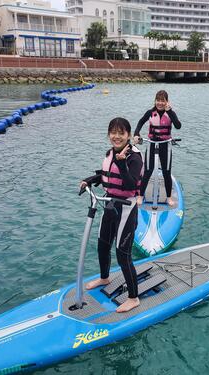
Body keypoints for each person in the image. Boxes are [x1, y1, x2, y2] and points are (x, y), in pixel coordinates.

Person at [79, 117, 143, 313]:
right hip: (109, 203)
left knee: (123, 254)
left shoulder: (134, 157)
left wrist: (122, 163)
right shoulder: (110, 153)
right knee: (102, 245)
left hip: (126, 207)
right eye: (113, 133)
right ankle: (105, 277)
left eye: (121, 133)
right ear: (109, 135)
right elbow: (106, 175)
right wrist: (89, 180)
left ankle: (133, 298)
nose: (116, 136)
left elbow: (131, 184)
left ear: (128, 135)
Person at [133, 90, 181, 206]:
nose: (160, 103)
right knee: (148, 171)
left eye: (162, 100)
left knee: (166, 172)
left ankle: (169, 197)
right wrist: (136, 134)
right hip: (152, 144)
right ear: (155, 101)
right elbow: (140, 122)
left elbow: (178, 126)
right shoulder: (150, 112)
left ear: (167, 102)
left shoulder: (170, 113)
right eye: (158, 100)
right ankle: (140, 195)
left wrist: (171, 112)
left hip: (165, 145)